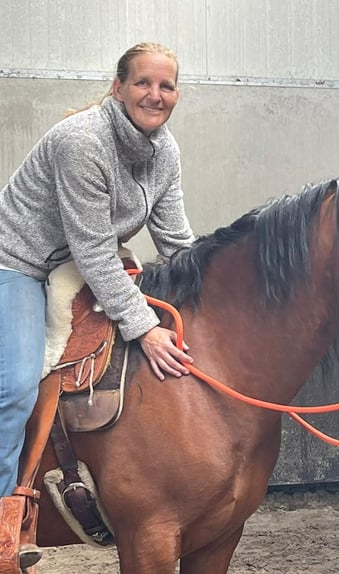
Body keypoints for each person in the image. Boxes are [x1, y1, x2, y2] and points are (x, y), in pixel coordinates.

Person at [0, 42, 195, 569]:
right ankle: (1, 526)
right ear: (118, 87)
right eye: (142, 83)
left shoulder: (165, 151)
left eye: (166, 86)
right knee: (16, 386)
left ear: (176, 95)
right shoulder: (80, 142)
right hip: (23, 263)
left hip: (88, 258)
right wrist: (145, 329)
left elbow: (175, 239)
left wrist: (207, 289)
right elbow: (91, 252)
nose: (154, 95)